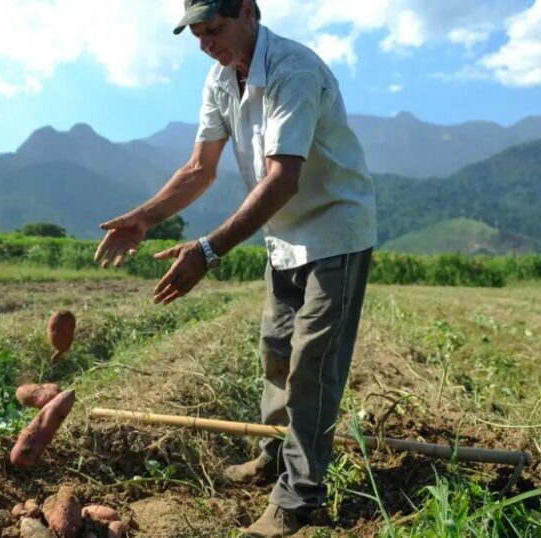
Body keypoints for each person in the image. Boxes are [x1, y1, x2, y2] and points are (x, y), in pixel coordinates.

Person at [94, 0, 377, 535]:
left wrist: (208, 249)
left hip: (335, 231)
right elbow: (199, 168)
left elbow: (283, 178)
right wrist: (143, 218)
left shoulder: (294, 71)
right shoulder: (221, 78)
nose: (206, 43)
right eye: (197, 34)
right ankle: (277, 458)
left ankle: (298, 499)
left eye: (214, 29)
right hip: (283, 236)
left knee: (312, 364)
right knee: (276, 352)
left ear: (248, 11)